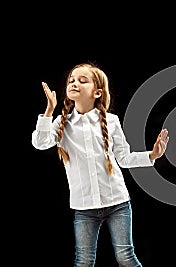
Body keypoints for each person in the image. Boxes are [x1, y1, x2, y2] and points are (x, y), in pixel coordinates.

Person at [31, 62, 169, 267]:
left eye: (82, 80)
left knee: (126, 257)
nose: (74, 83)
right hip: (84, 207)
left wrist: (152, 155)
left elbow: (124, 158)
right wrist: (49, 111)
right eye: (71, 80)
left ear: (97, 92)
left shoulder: (111, 121)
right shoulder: (61, 123)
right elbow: (40, 143)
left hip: (118, 202)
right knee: (84, 261)